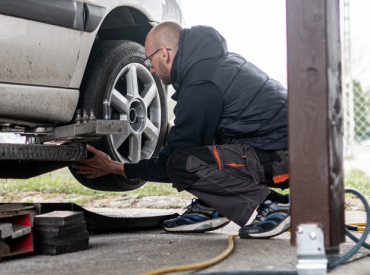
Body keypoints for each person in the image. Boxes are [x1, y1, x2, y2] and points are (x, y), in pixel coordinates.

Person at [73, 22, 291, 239]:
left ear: (165, 54)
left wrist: (115, 167)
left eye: (150, 60)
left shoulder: (200, 85)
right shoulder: (212, 65)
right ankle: (214, 204)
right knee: (185, 150)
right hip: (281, 149)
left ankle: (274, 205)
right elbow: (200, 131)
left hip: (283, 158)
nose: (150, 68)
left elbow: (170, 164)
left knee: (180, 164)